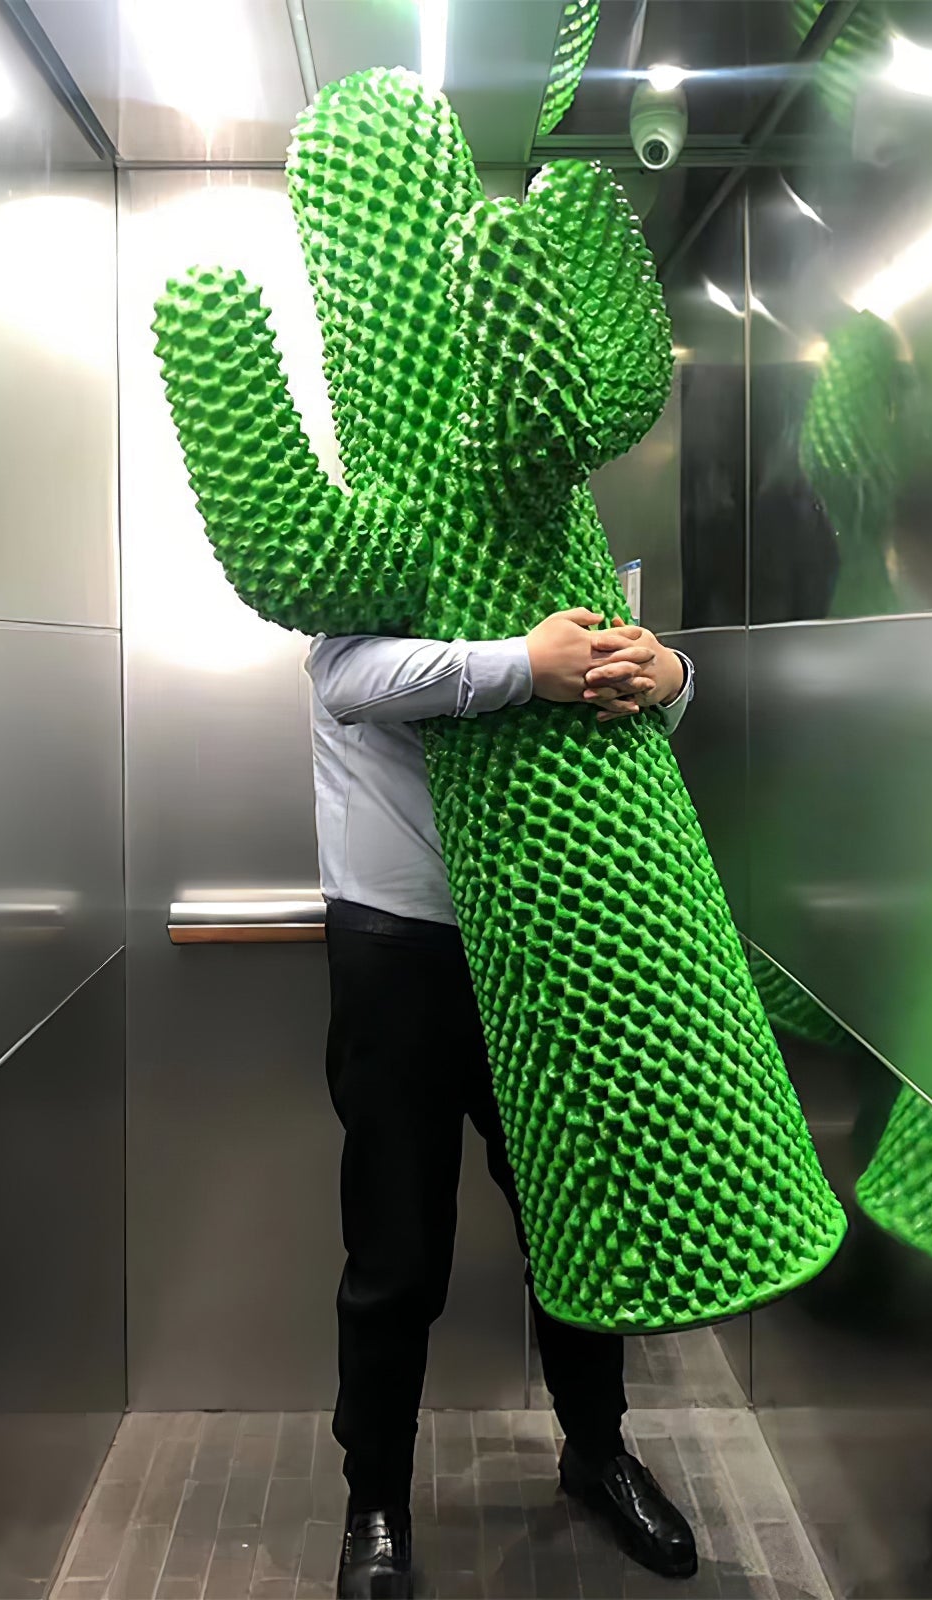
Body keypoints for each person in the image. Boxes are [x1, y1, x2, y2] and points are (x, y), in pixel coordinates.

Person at [309, 607, 702, 1599]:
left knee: (573, 1220)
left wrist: (670, 675)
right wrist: (526, 664)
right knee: (395, 1247)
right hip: (397, 945)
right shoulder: (368, 571)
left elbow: (620, 670)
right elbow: (346, 680)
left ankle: (598, 1450)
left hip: (546, 930)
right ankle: (376, 1502)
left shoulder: (532, 557)